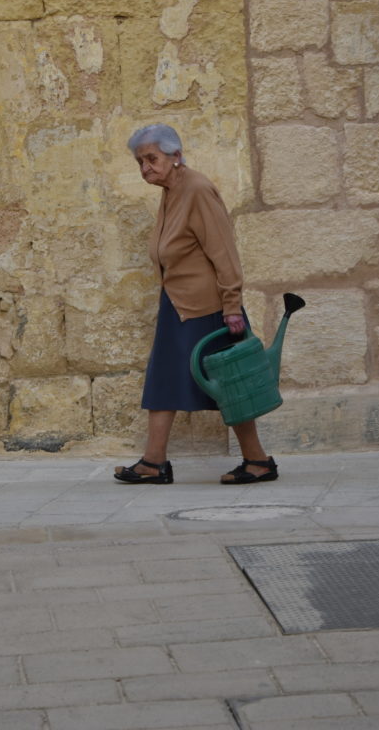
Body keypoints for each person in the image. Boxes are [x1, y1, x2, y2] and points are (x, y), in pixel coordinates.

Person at [114, 123, 278, 486]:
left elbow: (225, 253)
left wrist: (232, 306)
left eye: (152, 159)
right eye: (140, 162)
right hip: (179, 303)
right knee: (163, 379)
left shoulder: (198, 189)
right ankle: (154, 462)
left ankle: (258, 460)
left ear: (175, 156)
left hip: (210, 308)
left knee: (230, 384)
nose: (145, 168)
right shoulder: (172, 190)